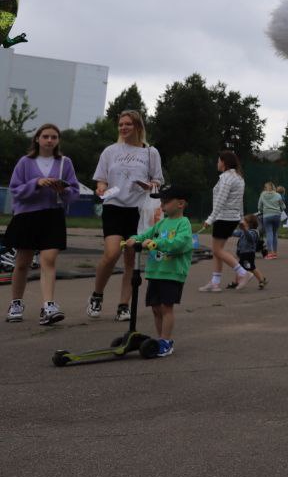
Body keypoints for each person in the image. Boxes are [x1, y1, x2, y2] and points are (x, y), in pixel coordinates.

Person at [89, 109, 163, 321]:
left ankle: (123, 305)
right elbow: (101, 179)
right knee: (111, 254)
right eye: (121, 124)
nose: (123, 128)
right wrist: (101, 188)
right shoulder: (110, 151)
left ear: (138, 126)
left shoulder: (151, 152)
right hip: (113, 207)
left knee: (132, 258)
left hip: (138, 210)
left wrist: (151, 185)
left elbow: (158, 180)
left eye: (128, 124)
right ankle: (97, 294)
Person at [5, 123, 80, 325]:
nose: (49, 140)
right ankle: (16, 303)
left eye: (54, 137)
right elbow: (15, 190)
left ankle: (48, 306)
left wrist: (61, 190)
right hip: (27, 216)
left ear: (58, 141)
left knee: (49, 260)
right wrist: (36, 184)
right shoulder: (25, 162)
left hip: (53, 216)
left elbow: (74, 192)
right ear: (37, 139)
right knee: (22, 263)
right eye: (45, 136)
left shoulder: (65, 163)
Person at [124, 186, 193, 358]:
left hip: (172, 273)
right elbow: (145, 234)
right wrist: (135, 239)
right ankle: (160, 338)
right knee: (155, 307)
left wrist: (157, 244)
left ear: (181, 203)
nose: (162, 205)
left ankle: (166, 341)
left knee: (166, 307)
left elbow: (180, 243)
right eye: (161, 202)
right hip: (156, 272)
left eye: (166, 202)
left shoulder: (183, 223)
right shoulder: (161, 223)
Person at [195, 151, 252, 292]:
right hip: (231, 219)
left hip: (223, 218)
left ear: (224, 162)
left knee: (217, 250)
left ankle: (243, 273)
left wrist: (210, 219)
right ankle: (215, 283)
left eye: (218, 160)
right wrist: (241, 218)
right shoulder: (239, 178)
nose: (217, 163)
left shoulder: (226, 178)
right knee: (217, 251)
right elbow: (240, 201)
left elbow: (220, 201)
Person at [233, 214, 268, 289]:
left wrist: (245, 230)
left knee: (247, 268)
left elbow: (250, 238)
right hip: (243, 253)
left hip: (248, 253)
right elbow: (236, 233)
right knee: (247, 268)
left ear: (250, 224)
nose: (242, 222)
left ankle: (261, 280)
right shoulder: (244, 231)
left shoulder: (254, 232)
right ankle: (261, 280)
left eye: (244, 221)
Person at [258, 180, 284, 259]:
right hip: (277, 215)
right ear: (273, 187)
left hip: (267, 216)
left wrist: (262, 211)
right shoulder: (278, 195)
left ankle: (270, 253)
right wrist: (279, 210)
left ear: (266, 188)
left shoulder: (262, 194)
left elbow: (259, 206)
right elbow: (282, 207)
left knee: (269, 233)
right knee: (275, 233)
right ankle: (275, 253)